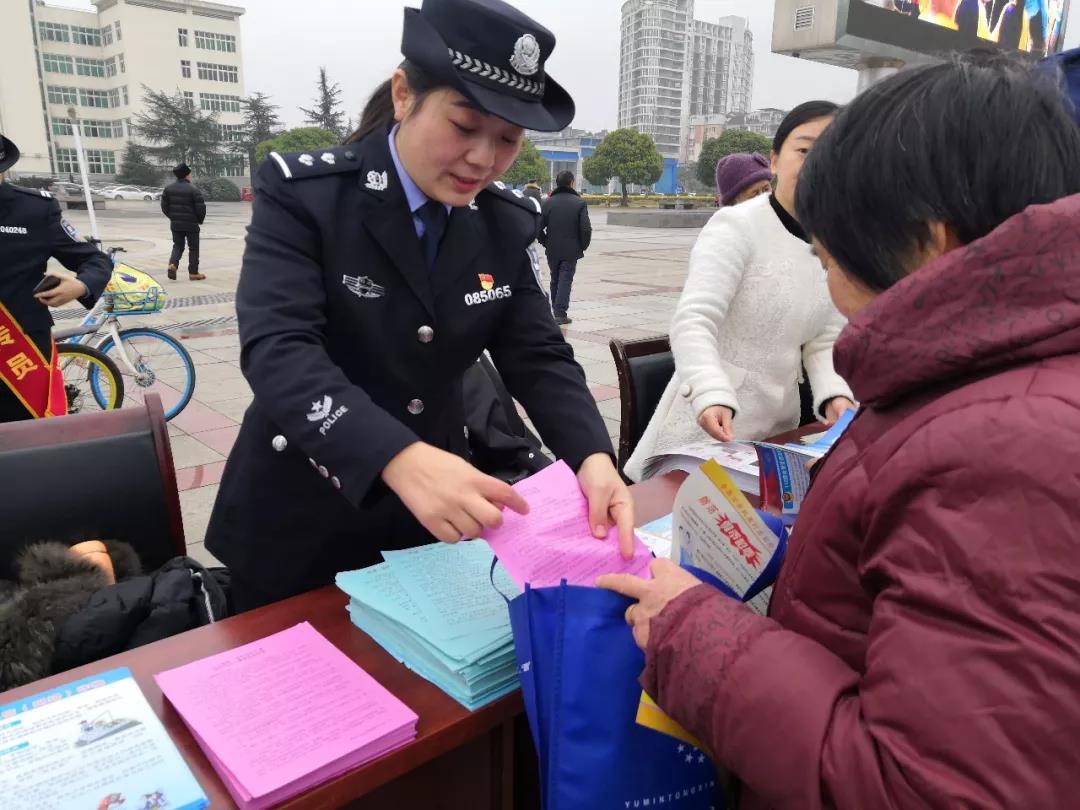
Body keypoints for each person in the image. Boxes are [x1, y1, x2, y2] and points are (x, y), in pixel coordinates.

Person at [599, 52, 1080, 808]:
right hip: (708, 418)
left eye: (833, 255)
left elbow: (927, 782)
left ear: (929, 239)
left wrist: (695, 636)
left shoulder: (998, 448)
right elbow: (696, 321)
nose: (829, 275)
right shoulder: (1005, 381)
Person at [205, 0, 634, 612]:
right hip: (300, 515)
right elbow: (279, 349)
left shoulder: (502, 221)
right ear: (404, 94)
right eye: (464, 127)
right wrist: (397, 457)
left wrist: (592, 458)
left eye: (508, 139)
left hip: (430, 526)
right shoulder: (311, 197)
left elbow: (537, 354)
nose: (484, 160)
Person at [624, 102, 855, 482]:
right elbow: (694, 320)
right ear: (775, 160)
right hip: (708, 427)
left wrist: (834, 395)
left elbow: (824, 336)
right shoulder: (736, 225)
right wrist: (711, 392)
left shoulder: (832, 238)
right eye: (805, 151)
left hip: (777, 431)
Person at [0, 133, 111, 423]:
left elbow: (94, 259)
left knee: (29, 439)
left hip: (19, 354)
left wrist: (81, 285)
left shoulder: (35, 209)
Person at [538, 170, 591, 325]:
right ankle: (560, 312)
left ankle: (556, 310)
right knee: (565, 278)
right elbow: (586, 229)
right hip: (571, 249)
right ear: (571, 183)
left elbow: (538, 227)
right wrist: (582, 245)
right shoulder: (579, 202)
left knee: (555, 278)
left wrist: (545, 242)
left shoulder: (547, 203)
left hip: (552, 249)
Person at [160, 163, 206, 281]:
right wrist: (199, 220)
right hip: (191, 225)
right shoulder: (193, 189)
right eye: (190, 173)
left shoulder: (168, 189)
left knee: (178, 246)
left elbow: (164, 207)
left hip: (176, 224)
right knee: (193, 248)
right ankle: (193, 273)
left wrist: (173, 217)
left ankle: (173, 264)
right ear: (186, 175)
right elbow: (201, 208)